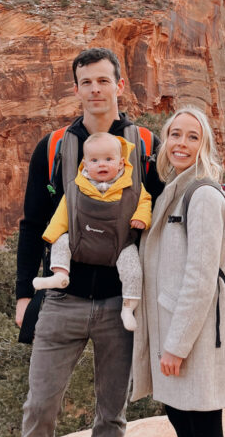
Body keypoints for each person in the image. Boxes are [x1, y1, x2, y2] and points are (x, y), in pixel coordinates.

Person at [7, 47, 163, 437]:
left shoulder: (144, 145)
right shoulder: (52, 147)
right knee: (38, 410)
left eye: (103, 80)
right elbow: (32, 222)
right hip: (63, 299)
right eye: (85, 82)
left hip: (122, 301)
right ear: (76, 89)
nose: (95, 89)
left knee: (112, 413)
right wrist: (23, 296)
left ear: (120, 85)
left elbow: (163, 216)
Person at [131, 107, 225, 437]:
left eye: (192, 137)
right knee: (180, 418)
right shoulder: (174, 189)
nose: (181, 143)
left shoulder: (204, 195)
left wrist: (175, 345)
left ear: (204, 144)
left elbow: (200, 278)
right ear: (164, 140)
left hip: (194, 335)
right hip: (175, 330)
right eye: (175, 134)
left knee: (205, 426)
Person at [33, 131, 152, 332]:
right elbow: (64, 212)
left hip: (119, 244)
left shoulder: (132, 187)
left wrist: (142, 218)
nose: (102, 164)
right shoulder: (77, 188)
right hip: (82, 240)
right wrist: (51, 235)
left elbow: (145, 201)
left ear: (121, 163)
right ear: (85, 164)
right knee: (62, 242)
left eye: (108, 159)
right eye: (94, 160)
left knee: (132, 268)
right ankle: (60, 274)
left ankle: (128, 307)